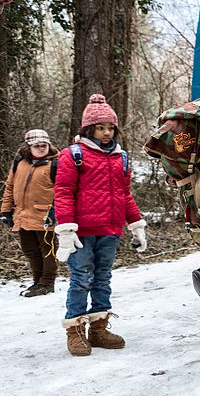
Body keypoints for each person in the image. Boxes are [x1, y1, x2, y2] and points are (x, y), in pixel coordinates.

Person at [54, 94, 147, 356]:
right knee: (81, 279)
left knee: (103, 279)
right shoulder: (73, 155)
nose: (106, 133)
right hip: (81, 232)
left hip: (110, 230)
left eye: (110, 128)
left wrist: (136, 224)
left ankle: (98, 328)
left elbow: (125, 194)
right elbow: (62, 191)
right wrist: (66, 229)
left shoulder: (121, 157)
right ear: (88, 129)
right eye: (100, 127)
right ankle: (75, 330)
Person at [1, 129, 60, 296]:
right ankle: (37, 281)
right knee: (30, 249)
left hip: (47, 214)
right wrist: (5, 210)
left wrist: (59, 211)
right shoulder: (20, 162)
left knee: (48, 249)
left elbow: (64, 190)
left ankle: (47, 282)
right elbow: (10, 186)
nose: (41, 148)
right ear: (29, 147)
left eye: (44, 145)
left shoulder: (56, 163)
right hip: (22, 214)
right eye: (37, 145)